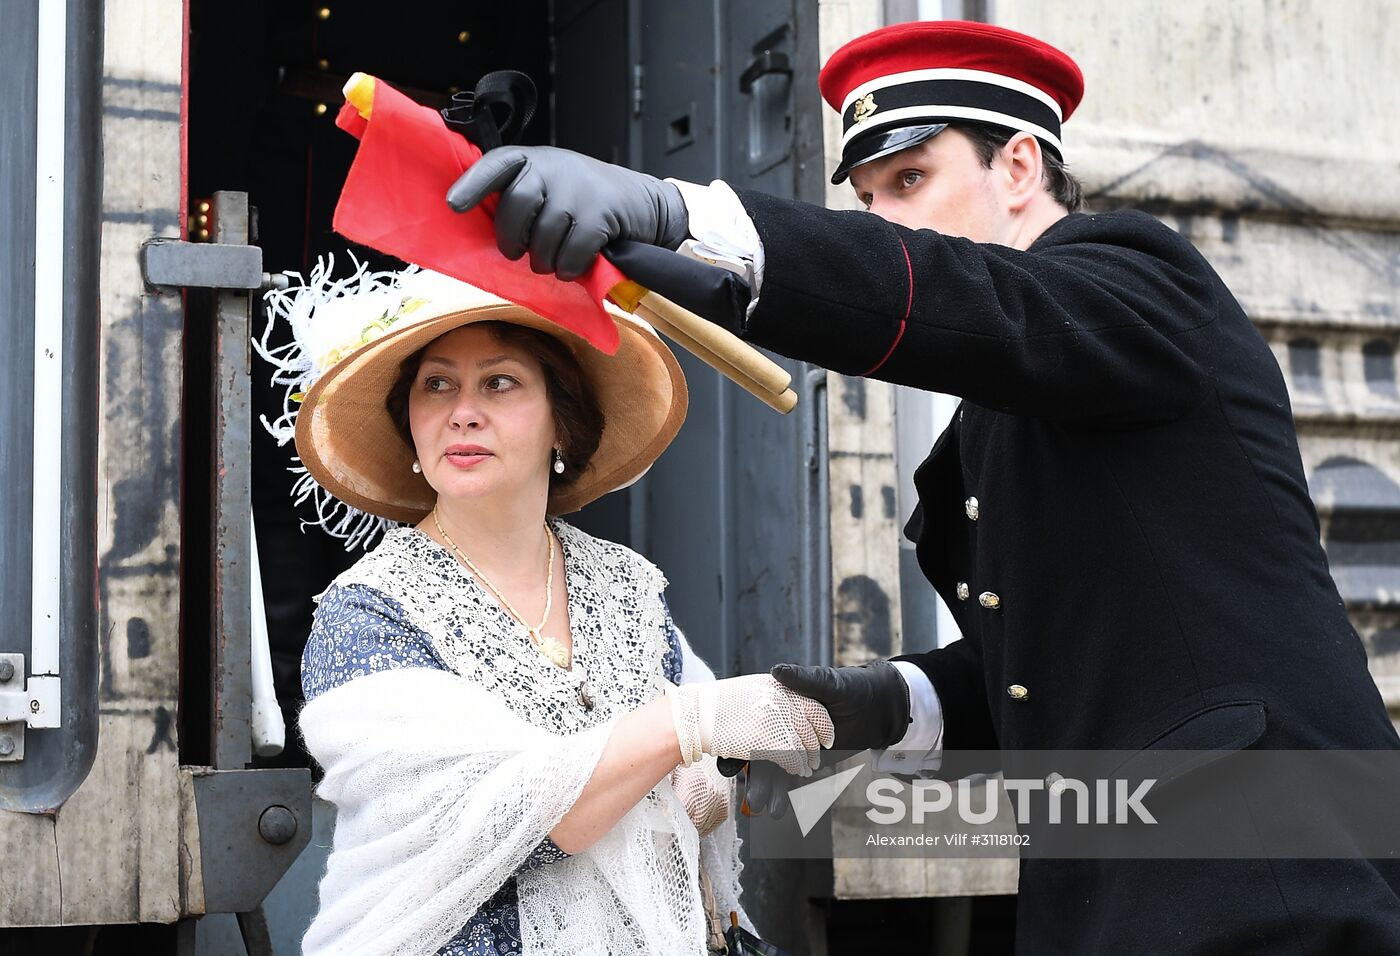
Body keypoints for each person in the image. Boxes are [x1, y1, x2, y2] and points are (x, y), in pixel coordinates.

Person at [444, 18, 1400, 954]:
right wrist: (884, 700)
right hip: (1118, 879)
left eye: (911, 179)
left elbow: (962, 298)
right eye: (870, 199)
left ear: (1020, 168)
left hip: (1272, 870)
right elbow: (1045, 673)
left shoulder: (1139, 282)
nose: (889, 219)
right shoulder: (998, 410)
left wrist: (678, 213)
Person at [266, 264, 835, 955]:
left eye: (499, 382)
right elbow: (518, 821)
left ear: (562, 425)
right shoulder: (366, 616)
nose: (463, 411)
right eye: (436, 384)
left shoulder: (625, 584)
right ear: (410, 426)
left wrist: (701, 771)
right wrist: (683, 724)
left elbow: (701, 757)